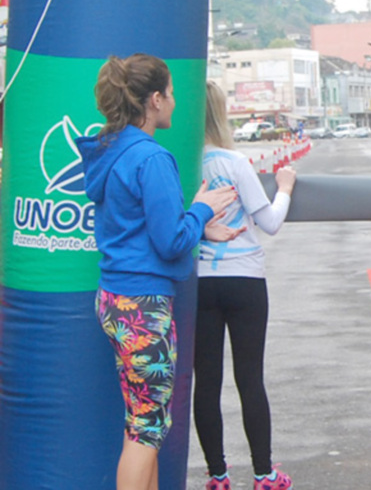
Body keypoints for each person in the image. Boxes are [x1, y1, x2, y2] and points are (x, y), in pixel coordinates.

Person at [76, 54, 239, 490]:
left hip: (116, 299)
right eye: (170, 93)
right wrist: (202, 210)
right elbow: (169, 242)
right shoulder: (151, 158)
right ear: (154, 100)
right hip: (143, 307)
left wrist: (198, 225)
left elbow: (142, 230)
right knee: (147, 430)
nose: (174, 102)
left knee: (142, 423)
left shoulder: (112, 153)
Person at [194, 82, 297, 490]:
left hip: (200, 281)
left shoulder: (180, 161)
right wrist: (284, 188)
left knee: (206, 381)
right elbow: (269, 222)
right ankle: (263, 474)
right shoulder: (235, 162)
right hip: (245, 279)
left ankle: (217, 476)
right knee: (250, 378)